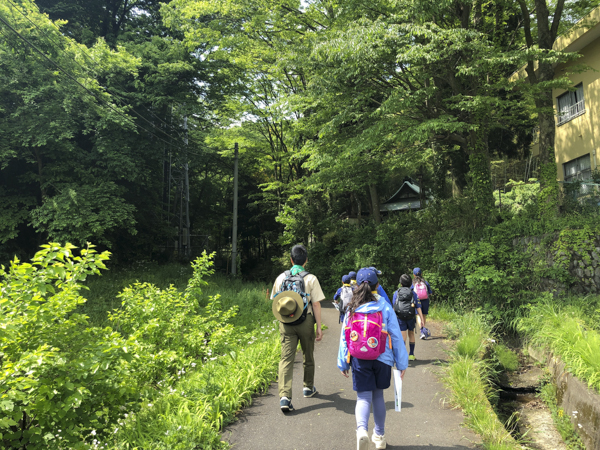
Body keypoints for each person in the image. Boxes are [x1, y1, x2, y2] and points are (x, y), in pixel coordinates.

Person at [337, 267, 408, 450]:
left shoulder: (352, 307)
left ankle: (361, 431)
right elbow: (396, 336)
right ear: (377, 285)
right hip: (382, 358)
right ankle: (379, 436)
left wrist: (343, 361)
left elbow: (345, 336)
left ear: (357, 286)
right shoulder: (384, 305)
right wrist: (401, 363)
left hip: (359, 358)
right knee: (378, 396)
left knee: (362, 398)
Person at [271, 244, 325, 412]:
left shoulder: (281, 277)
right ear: (306, 260)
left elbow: (274, 300)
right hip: (306, 321)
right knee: (308, 354)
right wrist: (319, 327)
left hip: (286, 322)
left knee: (286, 358)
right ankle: (308, 387)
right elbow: (315, 304)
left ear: (291, 259)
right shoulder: (311, 278)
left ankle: (285, 397)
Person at [393, 274, 426, 361]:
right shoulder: (413, 293)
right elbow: (418, 307)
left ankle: (402, 356)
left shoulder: (396, 293)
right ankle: (411, 355)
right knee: (411, 334)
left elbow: (394, 307)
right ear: (410, 284)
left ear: (401, 284)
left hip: (400, 317)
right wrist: (422, 319)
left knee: (403, 337)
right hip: (411, 317)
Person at [411, 268, 433, 337]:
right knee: (423, 315)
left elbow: (411, 292)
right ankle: (423, 330)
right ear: (421, 274)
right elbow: (430, 293)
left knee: (418, 315)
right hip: (425, 301)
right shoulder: (425, 282)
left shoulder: (413, 283)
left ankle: (422, 331)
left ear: (414, 275)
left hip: (417, 301)